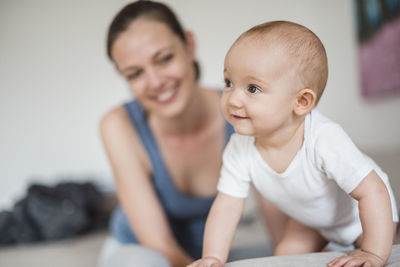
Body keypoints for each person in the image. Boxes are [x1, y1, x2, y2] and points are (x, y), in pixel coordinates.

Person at [188, 21, 399, 267]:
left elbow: (372, 191)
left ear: (301, 101)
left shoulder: (323, 137)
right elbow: (227, 207)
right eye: (228, 83)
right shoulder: (239, 147)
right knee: (285, 255)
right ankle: (330, 247)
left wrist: (372, 253)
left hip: (360, 215)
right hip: (315, 221)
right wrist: (213, 257)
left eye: (252, 88)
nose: (233, 98)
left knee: (367, 254)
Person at [97, 1, 237, 266]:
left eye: (164, 59)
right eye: (135, 73)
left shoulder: (239, 112)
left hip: (207, 258)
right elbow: (159, 245)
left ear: (189, 44)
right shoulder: (118, 125)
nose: (156, 82)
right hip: (140, 253)